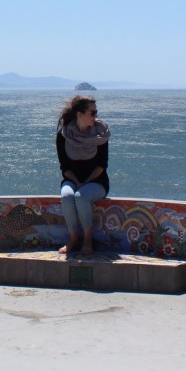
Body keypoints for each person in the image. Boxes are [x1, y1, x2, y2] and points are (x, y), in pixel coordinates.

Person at [55, 95, 110, 256]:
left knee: (81, 197)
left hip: (97, 181)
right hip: (72, 179)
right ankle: (73, 238)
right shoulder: (63, 136)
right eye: (92, 113)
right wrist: (77, 181)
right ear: (79, 114)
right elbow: (64, 167)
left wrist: (85, 183)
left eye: (96, 112)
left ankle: (87, 239)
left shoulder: (100, 135)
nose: (95, 116)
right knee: (67, 197)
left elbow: (102, 166)